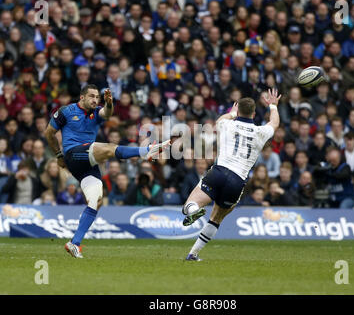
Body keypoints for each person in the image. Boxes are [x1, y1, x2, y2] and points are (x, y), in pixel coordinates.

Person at [44, 85, 170, 258]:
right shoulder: (66, 111)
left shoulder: (96, 112)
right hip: (73, 154)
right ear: (82, 97)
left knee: (96, 200)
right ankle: (146, 151)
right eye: (91, 96)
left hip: (87, 163)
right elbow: (49, 133)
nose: (95, 100)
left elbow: (107, 113)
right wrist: (59, 155)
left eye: (97, 97)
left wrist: (109, 103)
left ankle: (74, 243)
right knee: (110, 148)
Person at [182, 89, 280, 261]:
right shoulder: (260, 132)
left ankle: (194, 211)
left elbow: (220, 120)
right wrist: (273, 105)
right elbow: (274, 123)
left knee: (189, 205)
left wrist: (232, 113)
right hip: (237, 181)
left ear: (238, 111)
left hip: (218, 172)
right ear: (254, 113)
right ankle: (193, 253)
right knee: (216, 218)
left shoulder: (227, 124)